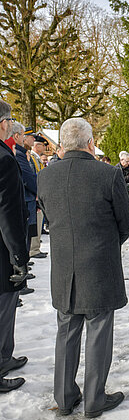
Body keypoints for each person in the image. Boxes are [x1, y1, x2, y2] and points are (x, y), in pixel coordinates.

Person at [37, 118, 129, 417]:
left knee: (66, 330)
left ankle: (66, 398)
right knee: (99, 331)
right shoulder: (108, 173)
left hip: (64, 264)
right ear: (90, 143)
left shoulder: (46, 176)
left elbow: (51, 220)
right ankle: (94, 399)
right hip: (99, 264)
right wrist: (106, 245)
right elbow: (126, 221)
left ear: (62, 145)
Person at [0, 100, 30, 393]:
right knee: (4, 308)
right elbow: (7, 212)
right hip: (3, 249)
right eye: (9, 121)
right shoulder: (4, 158)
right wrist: (19, 256)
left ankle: (5, 357)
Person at [11, 121, 37, 294]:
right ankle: (20, 275)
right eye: (24, 135)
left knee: (27, 238)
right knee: (23, 238)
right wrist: (38, 190)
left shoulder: (23, 153)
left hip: (27, 200)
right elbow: (28, 177)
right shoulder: (18, 154)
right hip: (25, 199)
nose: (30, 139)